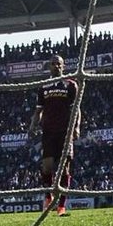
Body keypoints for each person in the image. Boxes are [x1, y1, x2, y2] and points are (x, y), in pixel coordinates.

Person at [28, 54, 79, 216]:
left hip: (65, 131)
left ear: (63, 66)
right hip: (48, 131)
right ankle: (48, 197)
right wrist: (32, 126)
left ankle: (61, 206)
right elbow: (38, 110)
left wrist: (76, 127)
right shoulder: (43, 87)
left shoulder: (71, 85)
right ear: (49, 66)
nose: (56, 66)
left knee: (64, 168)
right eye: (53, 64)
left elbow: (76, 109)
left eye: (59, 64)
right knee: (47, 166)